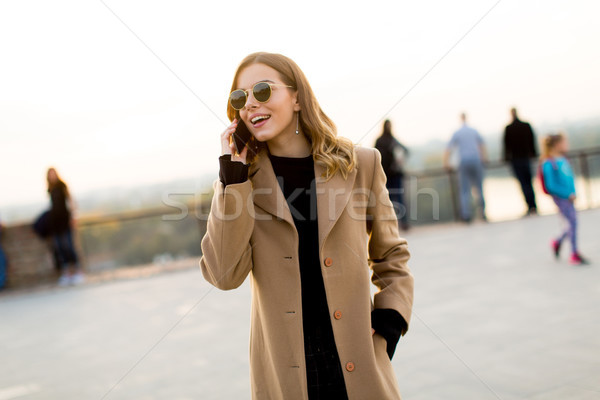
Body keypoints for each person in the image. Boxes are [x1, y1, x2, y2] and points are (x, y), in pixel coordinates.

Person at [200, 52, 414, 399]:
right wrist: (233, 176)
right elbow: (224, 275)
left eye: (263, 91)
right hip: (287, 378)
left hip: (359, 368)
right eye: (240, 98)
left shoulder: (361, 165)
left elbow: (391, 255)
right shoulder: (239, 184)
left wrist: (390, 324)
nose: (251, 104)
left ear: (297, 97)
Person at [540, 133, 588, 265]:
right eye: (564, 142)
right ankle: (573, 253)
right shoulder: (548, 163)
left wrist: (573, 193)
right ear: (557, 144)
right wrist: (567, 195)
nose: (567, 145)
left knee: (572, 223)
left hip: (569, 197)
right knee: (573, 222)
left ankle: (558, 242)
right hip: (561, 198)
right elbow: (550, 186)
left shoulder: (563, 159)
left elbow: (569, 179)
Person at [443, 113, 487, 222]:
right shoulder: (473, 131)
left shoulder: (457, 133)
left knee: (464, 189)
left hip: (463, 161)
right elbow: (482, 144)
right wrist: (484, 158)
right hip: (476, 160)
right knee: (479, 187)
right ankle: (482, 213)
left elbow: (448, 148)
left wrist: (446, 163)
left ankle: (466, 215)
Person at [46, 168, 84, 285]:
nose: (52, 176)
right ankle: (67, 273)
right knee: (59, 248)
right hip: (55, 222)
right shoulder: (50, 189)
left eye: (53, 174)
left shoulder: (62, 186)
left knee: (68, 245)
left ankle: (78, 272)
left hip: (65, 220)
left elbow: (71, 201)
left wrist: (73, 216)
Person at [374, 119, 410, 230]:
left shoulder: (382, 141)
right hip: (390, 175)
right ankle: (396, 224)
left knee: (391, 199)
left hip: (389, 175)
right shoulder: (390, 141)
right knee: (391, 200)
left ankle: (392, 225)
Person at [503, 108, 538, 215]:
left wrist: (506, 158)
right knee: (529, 182)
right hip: (526, 158)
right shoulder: (525, 126)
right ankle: (533, 205)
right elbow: (532, 140)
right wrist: (533, 154)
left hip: (516, 159)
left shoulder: (509, 128)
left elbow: (506, 146)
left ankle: (530, 205)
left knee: (523, 183)